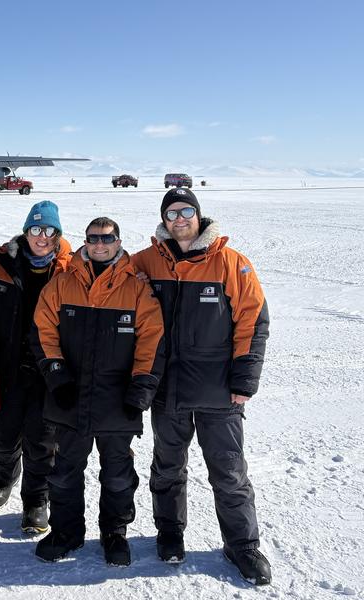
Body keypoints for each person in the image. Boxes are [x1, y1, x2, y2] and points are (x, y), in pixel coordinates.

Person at [131, 188, 271, 585]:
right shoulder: (146, 261)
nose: (179, 219)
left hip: (218, 391)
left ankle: (242, 544)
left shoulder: (230, 262)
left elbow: (253, 321)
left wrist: (244, 379)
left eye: (186, 211)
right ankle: (169, 533)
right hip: (168, 389)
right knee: (167, 467)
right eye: (172, 213)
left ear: (198, 214)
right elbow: (109, 274)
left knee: (228, 471)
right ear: (164, 219)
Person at [32, 217, 164, 565]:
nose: (100, 244)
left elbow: (152, 339)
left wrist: (141, 386)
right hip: (70, 397)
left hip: (117, 401)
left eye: (107, 238)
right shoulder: (63, 283)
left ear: (118, 241)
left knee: (118, 475)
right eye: (93, 238)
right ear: (85, 242)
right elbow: (43, 330)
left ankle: (114, 533)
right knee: (64, 472)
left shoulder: (137, 287)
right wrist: (57, 375)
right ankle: (66, 532)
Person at [0, 201, 72, 535]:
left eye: (49, 230)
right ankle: (5, 476)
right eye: (35, 229)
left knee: (43, 439)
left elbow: (111, 270)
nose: (42, 236)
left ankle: (36, 500)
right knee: (4, 433)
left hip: (49, 367)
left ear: (57, 233)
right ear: (25, 231)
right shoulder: (2, 261)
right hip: (9, 364)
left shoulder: (70, 268)